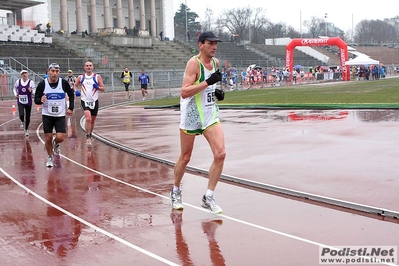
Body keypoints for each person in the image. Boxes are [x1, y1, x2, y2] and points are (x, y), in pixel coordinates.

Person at [170, 31, 225, 214]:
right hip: (192, 115)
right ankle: (176, 190)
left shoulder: (216, 63)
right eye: (210, 43)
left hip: (210, 114)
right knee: (185, 157)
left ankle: (208, 196)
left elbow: (214, 83)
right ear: (201, 45)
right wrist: (208, 82)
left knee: (220, 154)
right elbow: (184, 92)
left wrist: (218, 91)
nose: (214, 47)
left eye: (216, 44)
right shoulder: (194, 63)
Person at [34, 63, 74, 167]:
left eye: (56, 71)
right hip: (47, 114)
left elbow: (71, 94)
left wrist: (70, 108)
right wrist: (40, 100)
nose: (54, 73)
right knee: (48, 138)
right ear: (48, 72)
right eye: (52, 71)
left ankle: (55, 143)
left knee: (60, 137)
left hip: (60, 114)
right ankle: (50, 156)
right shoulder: (43, 84)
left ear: (59, 72)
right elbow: (36, 100)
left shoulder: (63, 83)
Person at [74, 61, 105, 147]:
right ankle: (88, 137)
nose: (88, 67)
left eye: (90, 66)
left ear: (93, 67)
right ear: (84, 67)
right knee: (88, 118)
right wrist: (76, 91)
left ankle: (90, 134)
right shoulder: (81, 77)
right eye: (87, 66)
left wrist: (98, 87)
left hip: (94, 101)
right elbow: (75, 85)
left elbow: (103, 88)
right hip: (84, 101)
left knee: (93, 120)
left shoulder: (97, 77)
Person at [13, 70, 36, 136]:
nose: (24, 75)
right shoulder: (18, 81)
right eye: (23, 74)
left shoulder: (31, 82)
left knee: (28, 117)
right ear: (21, 75)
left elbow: (34, 91)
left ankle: (26, 129)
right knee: (21, 115)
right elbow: (14, 88)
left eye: (25, 73)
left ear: (27, 74)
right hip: (20, 101)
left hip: (28, 102)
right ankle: (22, 121)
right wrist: (15, 94)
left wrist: (31, 91)